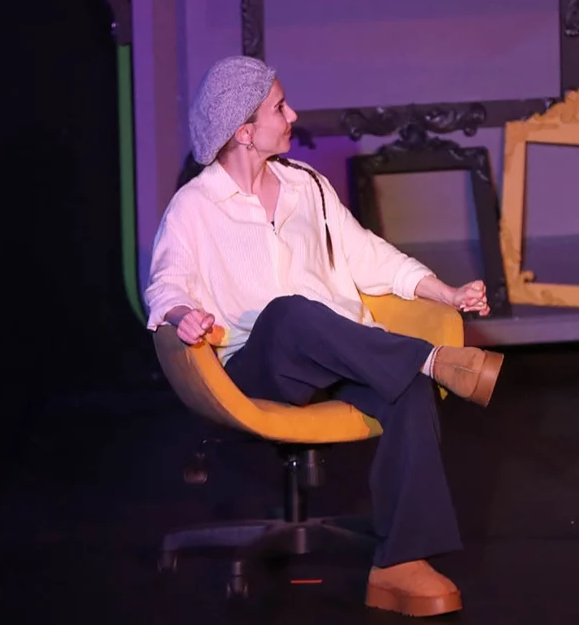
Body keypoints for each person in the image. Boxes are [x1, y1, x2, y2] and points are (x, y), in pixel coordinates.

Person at [145, 55, 503, 616]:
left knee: (406, 390)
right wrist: (180, 313)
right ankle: (432, 359)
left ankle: (400, 565)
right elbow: (165, 282)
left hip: (338, 353)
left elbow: (369, 255)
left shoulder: (305, 185)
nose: (293, 115)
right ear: (244, 131)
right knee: (289, 313)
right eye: (279, 108)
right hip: (258, 365)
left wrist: (446, 292)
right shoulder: (194, 206)